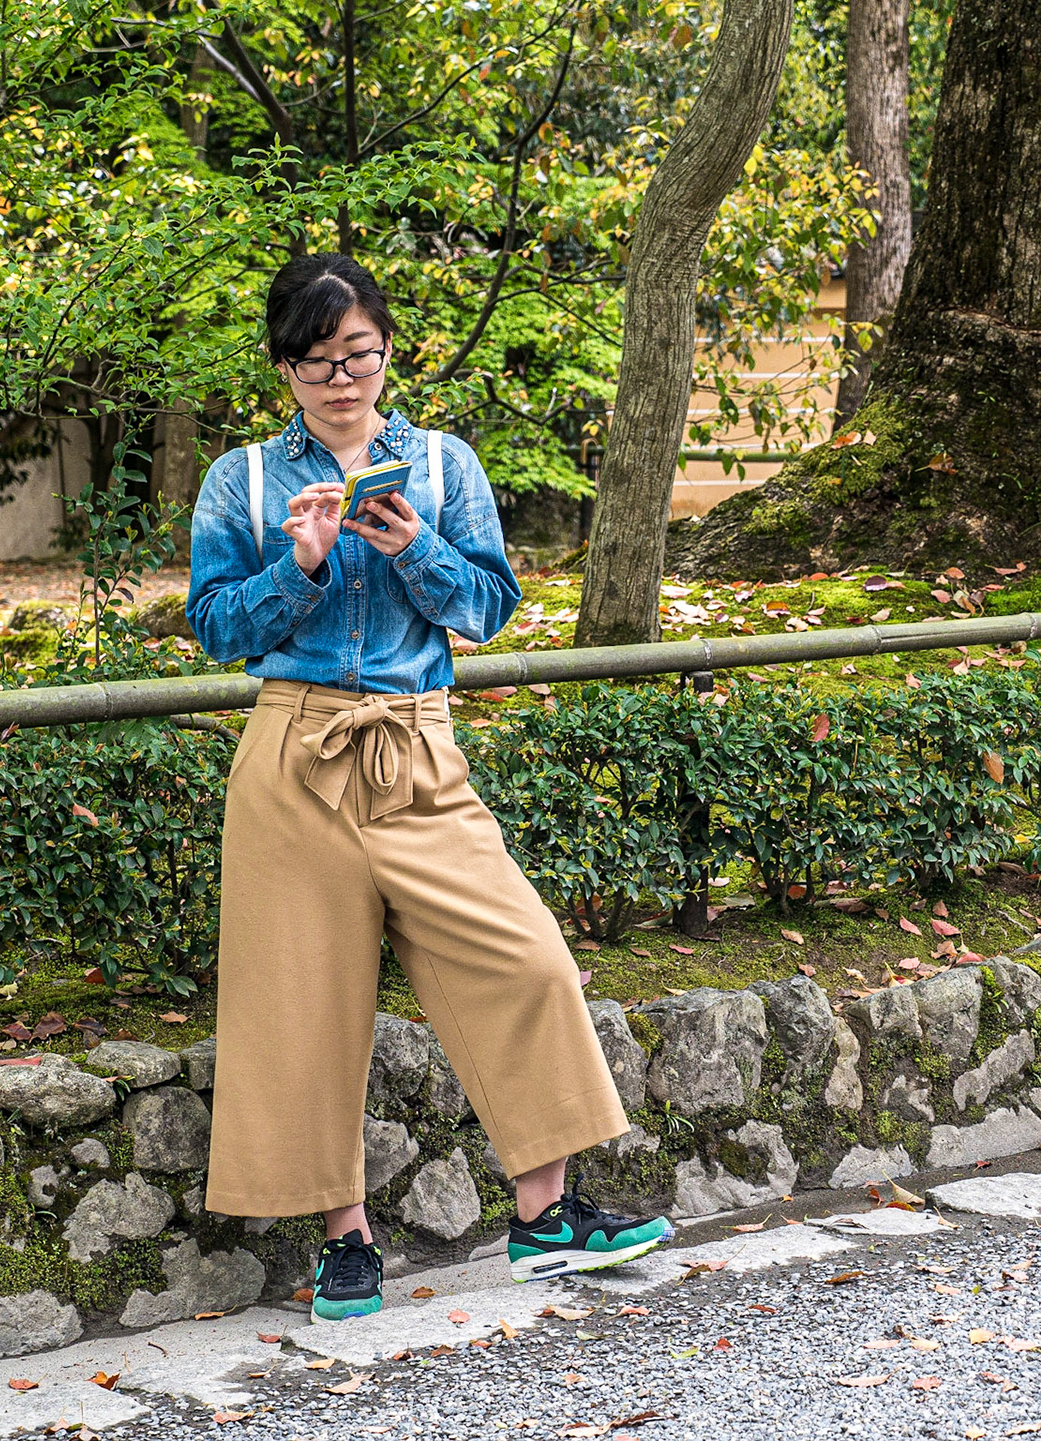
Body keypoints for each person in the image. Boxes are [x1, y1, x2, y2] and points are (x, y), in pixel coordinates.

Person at [186, 253, 671, 1324]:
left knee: (526, 956)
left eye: (358, 353)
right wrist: (298, 565)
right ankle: (344, 1241)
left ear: (388, 350)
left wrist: (419, 553)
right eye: (317, 361)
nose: (341, 377)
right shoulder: (247, 481)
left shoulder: (444, 466)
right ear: (286, 368)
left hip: (417, 750)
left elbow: (490, 607)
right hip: (292, 757)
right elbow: (217, 626)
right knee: (302, 1008)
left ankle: (546, 1216)